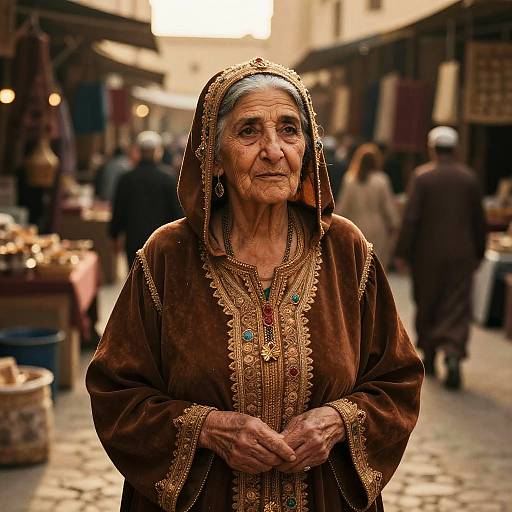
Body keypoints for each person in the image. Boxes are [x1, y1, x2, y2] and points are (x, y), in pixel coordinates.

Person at [87, 59, 423, 512]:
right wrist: (209, 429)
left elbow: (398, 380)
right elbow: (115, 392)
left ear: (307, 149)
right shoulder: (168, 256)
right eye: (249, 131)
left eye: (289, 129)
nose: (273, 149)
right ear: (215, 157)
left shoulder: (347, 251)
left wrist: (337, 422)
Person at [395, 126, 486, 390]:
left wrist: (402, 252)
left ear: (432, 148)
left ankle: (431, 352)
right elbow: (478, 222)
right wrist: (479, 252)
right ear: (455, 150)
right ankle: (454, 352)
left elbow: (410, 219)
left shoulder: (422, 177)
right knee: (456, 304)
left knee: (428, 301)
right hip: (461, 254)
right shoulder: (469, 178)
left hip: (427, 255)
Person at [109, 131, 182, 267]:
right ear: (157, 152)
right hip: (161, 240)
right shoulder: (167, 178)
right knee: (158, 281)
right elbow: (176, 212)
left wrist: (114, 235)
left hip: (133, 239)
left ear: (139, 152)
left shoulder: (126, 179)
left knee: (135, 279)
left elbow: (118, 210)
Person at [335, 143, 400, 268]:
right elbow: (388, 208)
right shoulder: (381, 180)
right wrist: (394, 225)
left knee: (355, 265)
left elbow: (342, 207)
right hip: (378, 229)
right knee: (374, 266)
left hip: (355, 226)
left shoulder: (350, 180)